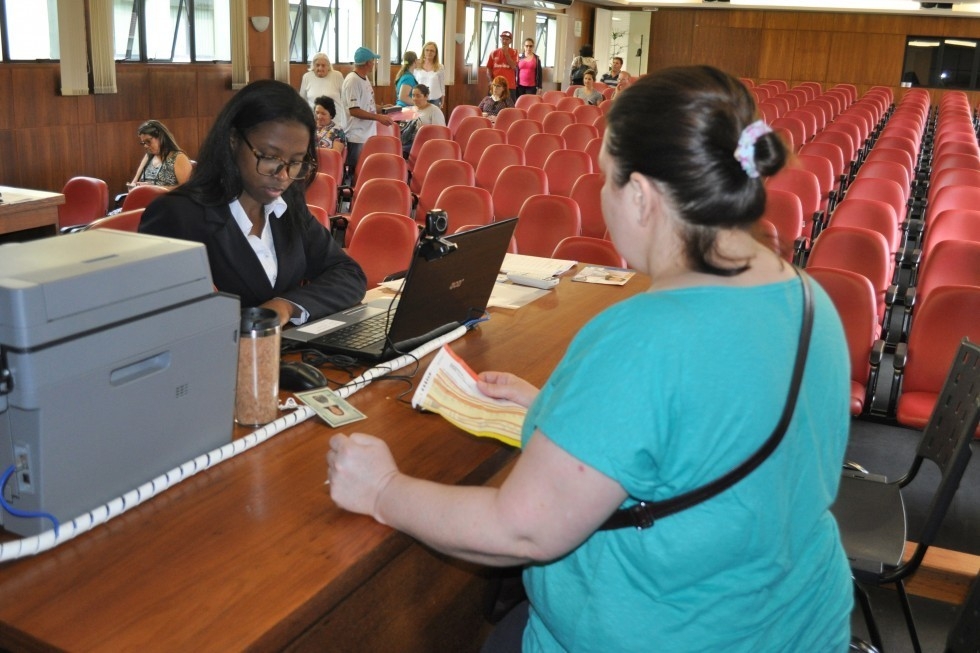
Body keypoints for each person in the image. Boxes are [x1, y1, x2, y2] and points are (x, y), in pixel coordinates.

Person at [326, 65, 853, 652]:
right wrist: (562, 411)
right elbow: (707, 434)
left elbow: (521, 530)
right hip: (796, 625)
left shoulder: (640, 337)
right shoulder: (809, 299)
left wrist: (381, 489)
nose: (601, 198)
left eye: (605, 178)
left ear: (643, 196)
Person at [139, 79, 367, 327]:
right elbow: (161, 324)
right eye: (270, 157)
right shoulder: (177, 216)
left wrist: (286, 306)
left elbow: (349, 274)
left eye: (296, 161)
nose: (282, 175)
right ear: (233, 140)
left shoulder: (286, 206)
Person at [342, 46, 394, 174]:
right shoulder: (353, 81)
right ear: (367, 63)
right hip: (356, 136)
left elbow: (367, 105)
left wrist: (382, 109)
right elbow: (354, 110)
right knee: (356, 172)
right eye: (373, 61)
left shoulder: (364, 78)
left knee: (366, 170)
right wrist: (378, 118)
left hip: (367, 134)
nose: (374, 64)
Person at [129, 120, 193, 190]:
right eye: (143, 143)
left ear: (161, 137)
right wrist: (133, 186)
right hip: (145, 199)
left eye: (148, 141)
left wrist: (153, 188)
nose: (146, 146)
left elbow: (187, 189)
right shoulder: (148, 156)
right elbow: (134, 182)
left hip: (168, 200)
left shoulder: (179, 158)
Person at [298, 53, 346, 129]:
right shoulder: (307, 77)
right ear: (313, 66)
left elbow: (345, 98)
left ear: (328, 66)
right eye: (317, 65)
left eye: (323, 65)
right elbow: (302, 101)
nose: (320, 68)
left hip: (335, 123)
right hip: (315, 123)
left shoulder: (337, 76)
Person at [400, 84, 446, 157]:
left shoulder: (434, 110)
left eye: (418, 96)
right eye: (413, 95)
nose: (415, 98)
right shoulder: (410, 109)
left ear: (426, 96)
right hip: (409, 142)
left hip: (424, 145)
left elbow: (440, 133)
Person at [486, 31, 518, 100]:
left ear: (510, 41)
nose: (504, 41)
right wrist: (491, 81)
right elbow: (489, 68)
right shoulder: (493, 53)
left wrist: (506, 53)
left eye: (507, 39)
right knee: (492, 106)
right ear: (500, 40)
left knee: (509, 108)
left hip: (509, 86)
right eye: (503, 39)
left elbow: (513, 66)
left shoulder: (514, 52)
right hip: (495, 86)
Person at [414, 41, 446, 108]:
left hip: (435, 99)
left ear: (435, 53)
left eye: (432, 51)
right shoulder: (417, 67)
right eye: (427, 50)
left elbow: (442, 84)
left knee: (434, 118)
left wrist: (442, 100)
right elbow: (414, 84)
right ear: (424, 51)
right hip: (420, 99)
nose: (429, 52)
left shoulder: (440, 67)